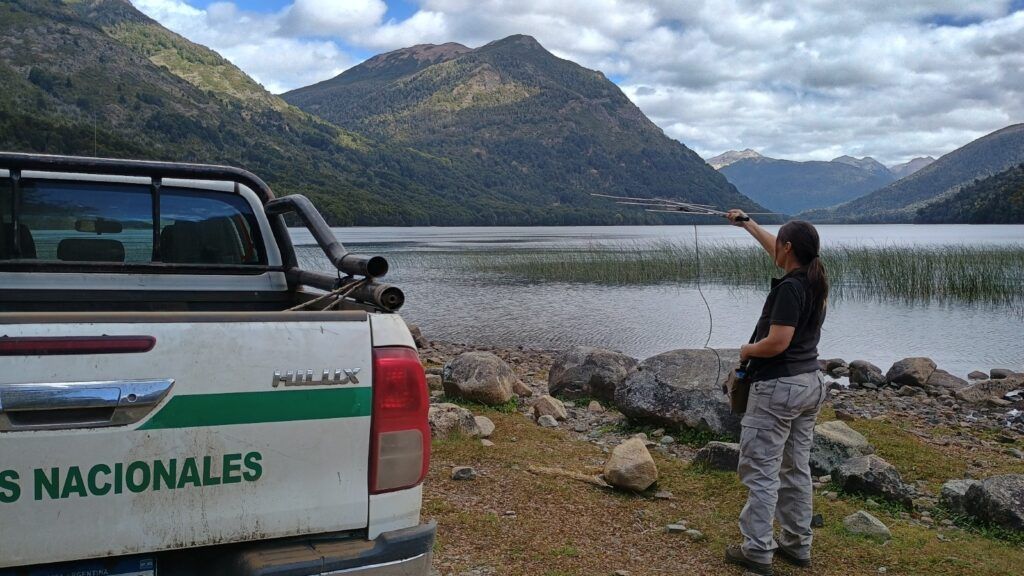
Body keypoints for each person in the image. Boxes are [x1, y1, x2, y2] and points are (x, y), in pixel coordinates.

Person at [722, 210, 830, 576]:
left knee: (761, 471)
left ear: (789, 248)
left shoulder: (789, 289)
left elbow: (777, 342)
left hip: (779, 388)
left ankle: (757, 551)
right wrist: (748, 224)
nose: (776, 249)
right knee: (795, 468)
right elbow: (777, 250)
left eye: (780, 244)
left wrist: (747, 350)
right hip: (810, 383)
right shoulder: (816, 279)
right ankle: (797, 545)